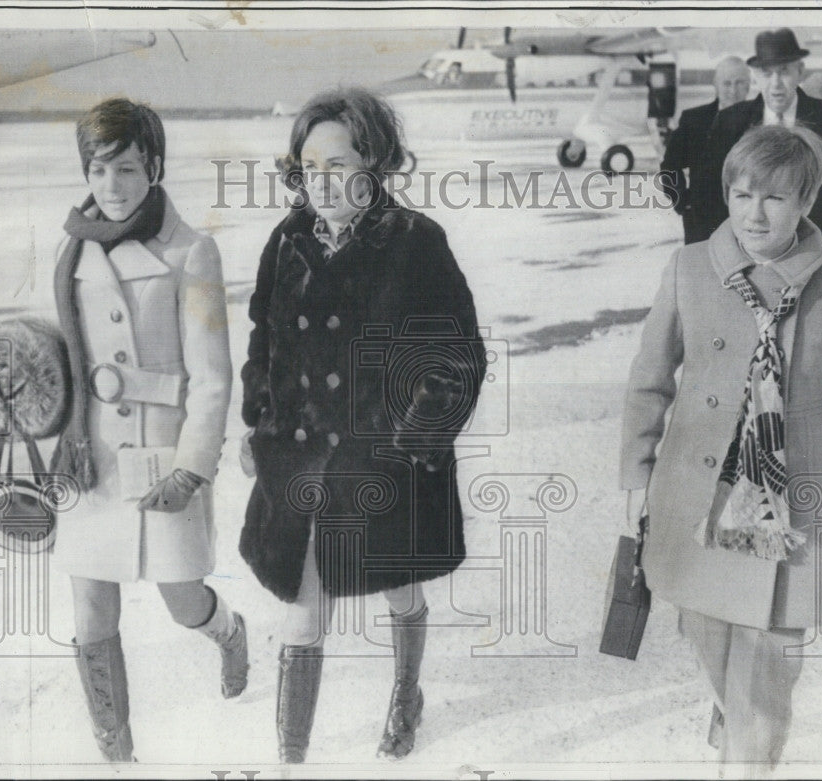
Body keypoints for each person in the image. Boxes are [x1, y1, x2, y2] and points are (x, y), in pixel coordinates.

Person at [621, 124, 822, 772]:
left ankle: (747, 749)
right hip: (702, 508)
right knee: (711, 643)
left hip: (795, 517)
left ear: (804, 202)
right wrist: (635, 478)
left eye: (773, 198)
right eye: (741, 195)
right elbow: (649, 381)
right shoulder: (689, 268)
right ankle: (733, 709)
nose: (754, 213)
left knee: (765, 694)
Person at [239, 87, 486, 763]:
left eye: (340, 162)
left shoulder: (417, 242)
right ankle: (291, 760)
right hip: (301, 463)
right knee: (304, 605)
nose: (322, 180)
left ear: (375, 162)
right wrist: (257, 420)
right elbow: (263, 339)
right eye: (309, 164)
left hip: (386, 461)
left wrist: (412, 443)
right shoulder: (285, 240)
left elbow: (458, 354)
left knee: (398, 583)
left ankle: (407, 693)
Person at [49, 98, 246, 762]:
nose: (112, 186)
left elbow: (213, 373)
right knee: (91, 613)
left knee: (180, 599)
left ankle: (226, 629)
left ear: (154, 168)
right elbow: (62, 358)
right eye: (100, 170)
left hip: (163, 453)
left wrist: (192, 467)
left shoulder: (192, 250)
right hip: (89, 457)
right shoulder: (70, 250)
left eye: (128, 169)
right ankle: (117, 751)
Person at [688, 28, 822, 274]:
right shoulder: (729, 122)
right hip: (744, 260)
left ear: (800, 72)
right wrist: (706, 265)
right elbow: (708, 196)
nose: (775, 84)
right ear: (756, 76)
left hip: (812, 258)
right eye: (766, 73)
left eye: (784, 71)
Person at [659, 56, 751, 243]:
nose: (733, 90)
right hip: (701, 222)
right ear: (715, 85)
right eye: (727, 83)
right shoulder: (695, 120)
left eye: (740, 83)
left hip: (748, 220)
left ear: (749, 85)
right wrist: (683, 203)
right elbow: (670, 165)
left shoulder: (760, 120)